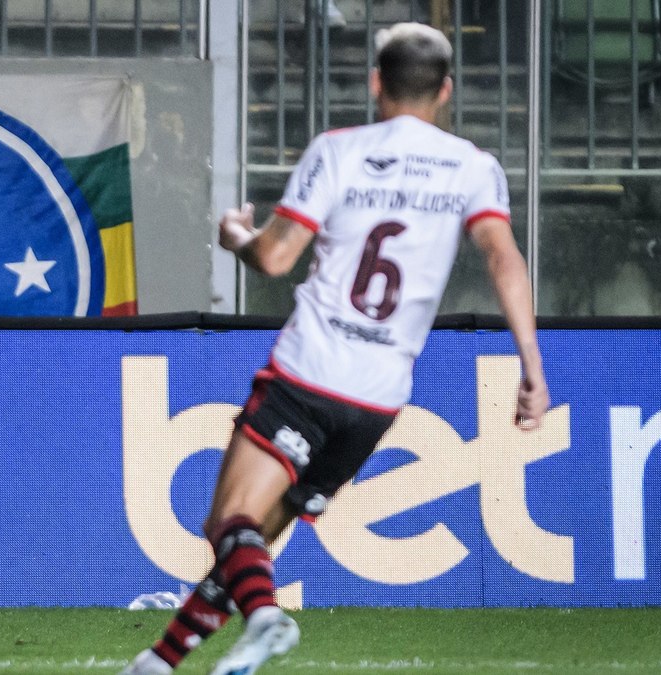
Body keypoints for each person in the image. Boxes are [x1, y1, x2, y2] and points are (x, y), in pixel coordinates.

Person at [122, 22, 549, 675]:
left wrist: (238, 234)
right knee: (253, 540)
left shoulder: (340, 150)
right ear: (447, 91)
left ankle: (264, 617)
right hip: (378, 400)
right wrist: (531, 364)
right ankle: (159, 661)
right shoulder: (473, 165)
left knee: (228, 523)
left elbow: (276, 255)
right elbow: (504, 258)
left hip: (309, 372)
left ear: (375, 83)